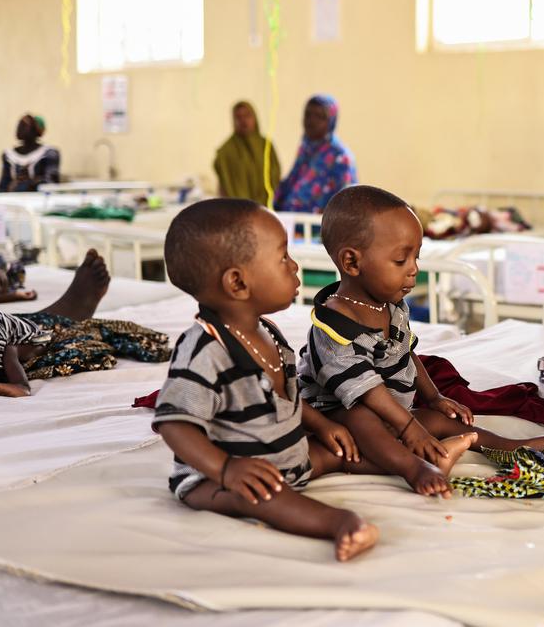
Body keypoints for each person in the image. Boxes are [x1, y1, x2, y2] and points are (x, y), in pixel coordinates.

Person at [152, 199, 378, 561]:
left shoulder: (269, 332)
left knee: (348, 446)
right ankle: (341, 523)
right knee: (260, 497)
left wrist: (321, 425)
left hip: (289, 459)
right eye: (283, 257)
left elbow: (285, 397)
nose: (294, 266)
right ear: (238, 282)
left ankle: (415, 464)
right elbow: (174, 424)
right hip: (221, 481)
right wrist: (226, 469)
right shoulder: (206, 351)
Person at [298, 185, 544, 499]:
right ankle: (416, 468)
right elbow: (365, 390)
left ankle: (506, 446)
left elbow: (405, 354)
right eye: (400, 260)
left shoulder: (390, 305)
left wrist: (433, 398)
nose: (414, 269)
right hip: (337, 414)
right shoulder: (333, 325)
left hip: (390, 411)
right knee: (361, 419)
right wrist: (409, 428)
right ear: (352, 262)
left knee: (437, 420)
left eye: (416, 257)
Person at [0, 249, 112, 397]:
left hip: (31, 336)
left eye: (0, 285)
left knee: (14, 343)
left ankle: (21, 385)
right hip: (12, 328)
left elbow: (7, 348)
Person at [274, 95, 357, 213]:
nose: (311, 121)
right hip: (291, 221)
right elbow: (289, 187)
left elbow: (345, 202)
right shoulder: (305, 150)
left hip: (320, 224)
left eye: (319, 116)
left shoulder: (340, 157)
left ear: (331, 121)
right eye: (307, 114)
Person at [213, 101, 281, 204]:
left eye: (247, 115)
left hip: (268, 206)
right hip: (237, 209)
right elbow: (223, 186)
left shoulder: (266, 146)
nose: (243, 121)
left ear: (255, 118)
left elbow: (275, 176)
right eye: (238, 117)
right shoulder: (226, 152)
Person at [0, 114, 60, 192]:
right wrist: (13, 185)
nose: (24, 129)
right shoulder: (9, 155)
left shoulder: (49, 154)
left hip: (39, 198)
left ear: (36, 130)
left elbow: (51, 184)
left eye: (27, 126)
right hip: (13, 198)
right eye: (21, 125)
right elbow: (2, 187)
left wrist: (30, 183)